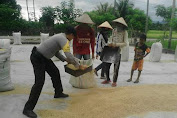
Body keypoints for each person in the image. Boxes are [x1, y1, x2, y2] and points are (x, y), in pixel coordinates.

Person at [23, 26, 87, 118]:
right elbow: (68, 54)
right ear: (71, 35)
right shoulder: (64, 40)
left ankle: (58, 93)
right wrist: (78, 65)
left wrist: (64, 59)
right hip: (38, 57)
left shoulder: (60, 36)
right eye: (73, 37)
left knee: (55, 73)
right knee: (39, 82)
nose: (73, 39)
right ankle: (27, 109)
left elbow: (56, 52)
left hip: (45, 58)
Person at [101, 17, 129, 87]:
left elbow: (125, 43)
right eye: (117, 24)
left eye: (120, 24)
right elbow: (111, 39)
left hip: (118, 51)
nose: (118, 25)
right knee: (107, 64)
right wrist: (110, 43)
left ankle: (114, 81)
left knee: (116, 67)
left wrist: (116, 45)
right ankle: (107, 79)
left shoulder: (124, 32)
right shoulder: (114, 30)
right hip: (111, 50)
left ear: (122, 25)